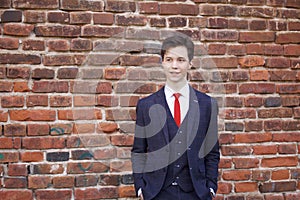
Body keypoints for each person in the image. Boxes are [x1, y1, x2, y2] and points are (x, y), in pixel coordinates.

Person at [131, 34, 220, 200]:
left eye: (181, 60)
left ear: (190, 63)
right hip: (156, 192)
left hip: (196, 192)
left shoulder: (207, 105)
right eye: (169, 59)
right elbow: (139, 151)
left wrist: (211, 186)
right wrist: (140, 188)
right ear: (162, 62)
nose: (174, 66)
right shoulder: (146, 105)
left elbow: (212, 151)